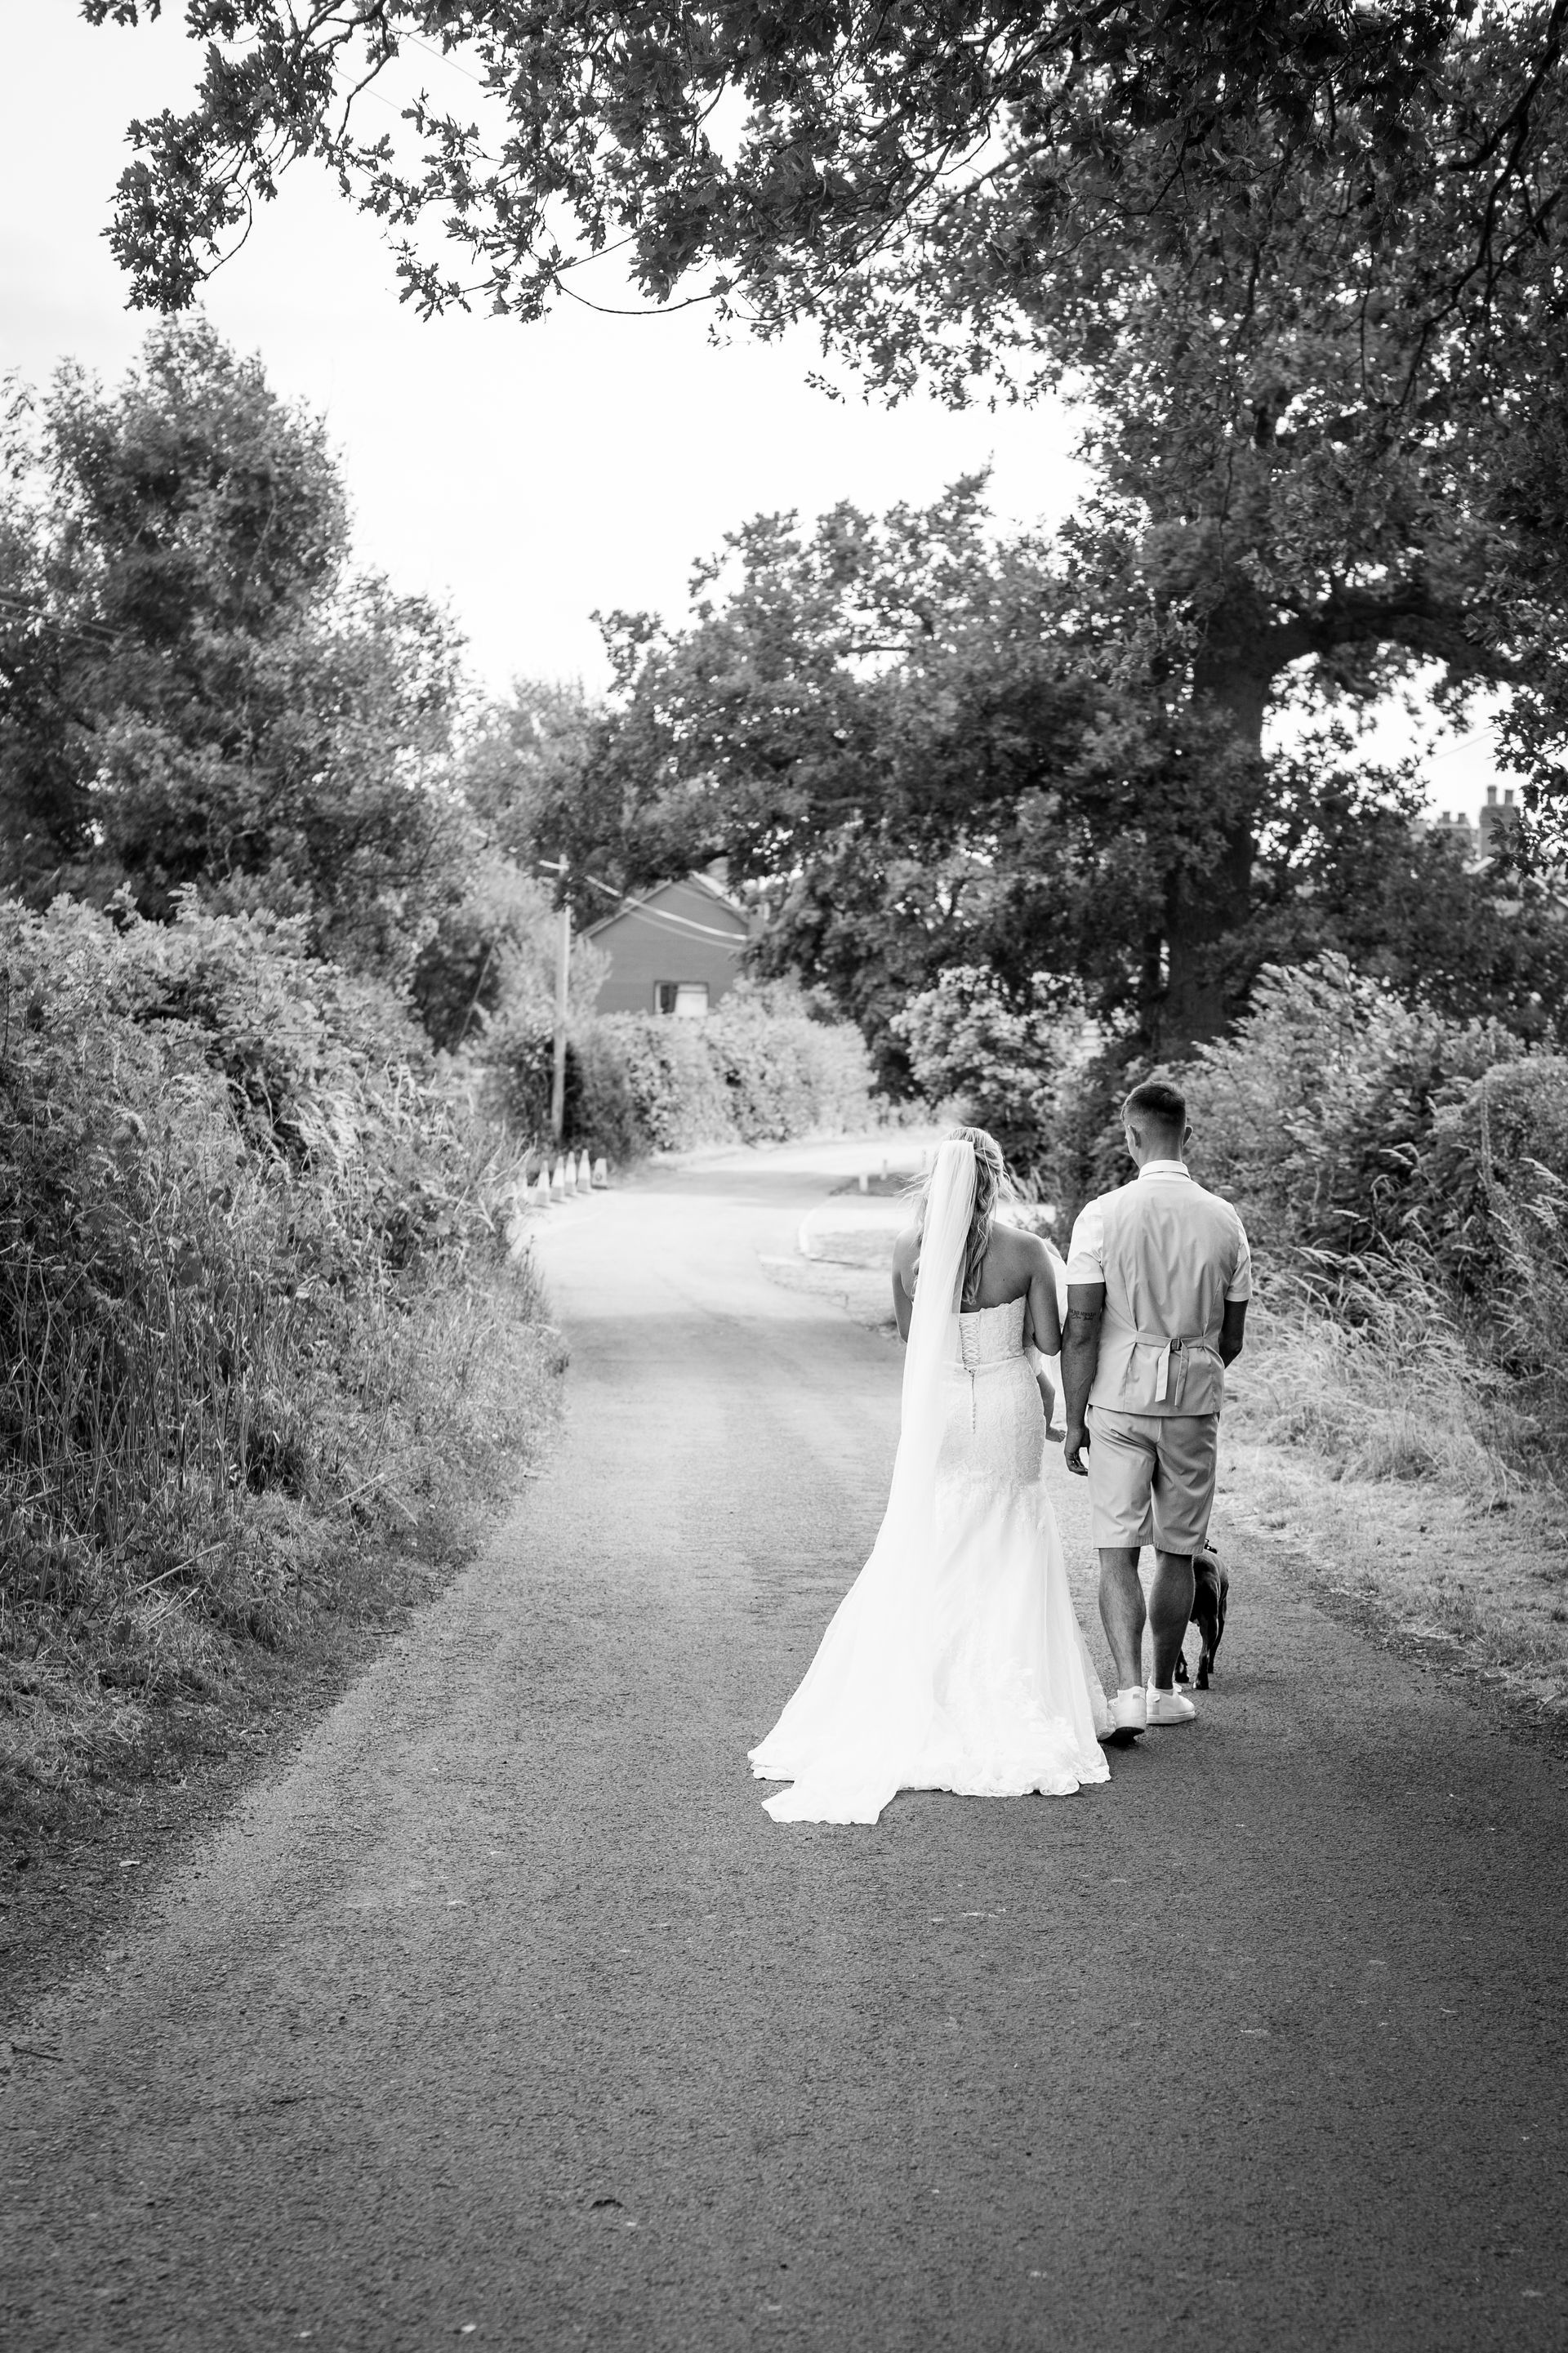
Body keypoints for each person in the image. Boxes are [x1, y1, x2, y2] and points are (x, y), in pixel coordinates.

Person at [750, 1128, 1111, 1824]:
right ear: (995, 1179)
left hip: (943, 1403)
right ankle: (1013, 1691)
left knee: (943, 1528)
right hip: (1008, 1398)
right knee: (1011, 1528)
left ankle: (924, 1687)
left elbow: (918, 1345)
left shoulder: (910, 1253)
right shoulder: (1028, 1252)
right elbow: (1045, 1340)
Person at [1060, 1079, 1251, 1740]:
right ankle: (1169, 1688)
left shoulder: (1100, 1215)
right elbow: (1233, 1337)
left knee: (1118, 1552)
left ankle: (1129, 1693)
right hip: (1193, 1399)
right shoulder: (1226, 1219)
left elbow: (1081, 1327)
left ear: (1130, 1135)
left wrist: (1076, 1416)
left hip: (1117, 1399)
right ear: (1187, 1135)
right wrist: (1192, 1369)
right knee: (1177, 1550)